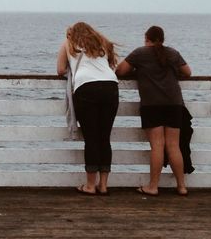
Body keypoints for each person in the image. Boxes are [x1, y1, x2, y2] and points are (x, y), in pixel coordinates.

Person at [116, 25, 192, 196]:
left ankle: (153, 186)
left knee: (157, 146)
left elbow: (120, 70)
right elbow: (187, 72)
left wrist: (138, 71)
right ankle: (181, 186)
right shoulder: (172, 53)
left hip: (152, 105)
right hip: (174, 103)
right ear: (163, 39)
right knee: (174, 145)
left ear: (146, 38)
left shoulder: (140, 53)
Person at [56, 22, 120, 196]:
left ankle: (90, 185)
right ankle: (104, 185)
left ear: (72, 34)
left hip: (86, 88)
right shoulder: (103, 43)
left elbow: (60, 69)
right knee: (104, 137)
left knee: (91, 138)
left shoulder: (68, 44)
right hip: (110, 86)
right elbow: (111, 65)